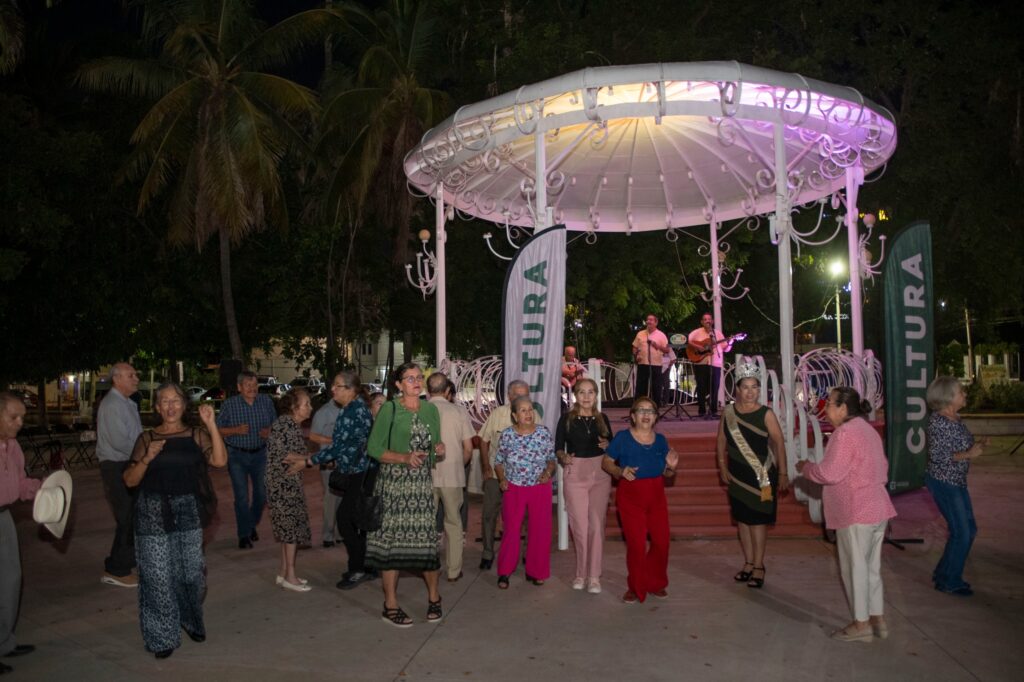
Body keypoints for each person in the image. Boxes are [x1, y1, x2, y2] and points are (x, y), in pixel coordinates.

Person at [123, 383, 227, 659]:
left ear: (184, 405)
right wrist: (147, 458)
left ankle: (190, 618)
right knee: (157, 577)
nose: (170, 406)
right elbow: (130, 480)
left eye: (175, 401)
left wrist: (211, 425)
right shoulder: (147, 438)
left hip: (187, 509)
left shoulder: (196, 434)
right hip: (151, 510)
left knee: (191, 575)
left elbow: (218, 461)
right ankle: (162, 637)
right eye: (164, 401)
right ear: (157, 407)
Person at [796, 387, 896, 642]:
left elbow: (829, 473)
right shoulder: (868, 430)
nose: (825, 408)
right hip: (877, 506)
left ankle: (861, 625)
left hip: (856, 509)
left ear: (843, 408)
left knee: (855, 569)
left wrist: (806, 468)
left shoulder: (844, 434)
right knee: (871, 568)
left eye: (829, 404)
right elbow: (882, 465)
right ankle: (877, 621)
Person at [364, 363, 446, 628]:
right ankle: (390, 605)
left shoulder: (431, 409)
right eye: (409, 378)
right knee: (391, 546)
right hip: (393, 485)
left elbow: (434, 448)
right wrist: (403, 458)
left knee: (426, 542)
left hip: (421, 487)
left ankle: (435, 597)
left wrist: (439, 450)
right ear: (398, 385)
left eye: (419, 377)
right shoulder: (390, 409)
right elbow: (374, 448)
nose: (416, 381)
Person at [290, 371, 376, 591]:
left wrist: (308, 461)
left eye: (338, 386)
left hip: (359, 474)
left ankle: (359, 569)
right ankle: (364, 566)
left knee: (345, 520)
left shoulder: (351, 412)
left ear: (350, 389)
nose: (333, 390)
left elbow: (337, 448)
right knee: (356, 521)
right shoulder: (356, 409)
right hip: (360, 471)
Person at [716, 362, 787, 589]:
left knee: (758, 521)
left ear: (760, 389)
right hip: (737, 475)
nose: (750, 392)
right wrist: (721, 466)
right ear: (737, 388)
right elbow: (721, 440)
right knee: (743, 521)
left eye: (754, 387)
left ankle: (759, 565)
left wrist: (784, 472)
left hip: (763, 477)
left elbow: (779, 443)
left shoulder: (766, 414)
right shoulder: (728, 412)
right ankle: (748, 563)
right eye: (745, 387)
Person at [603, 396, 679, 603]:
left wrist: (671, 467)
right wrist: (620, 471)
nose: (646, 414)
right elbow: (606, 462)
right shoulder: (622, 438)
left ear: (655, 417)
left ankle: (655, 582)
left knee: (662, 542)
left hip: (656, 495)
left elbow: (667, 474)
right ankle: (635, 587)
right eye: (641, 410)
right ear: (633, 416)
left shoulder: (661, 440)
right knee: (636, 545)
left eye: (651, 411)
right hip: (630, 496)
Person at [925, 376, 987, 596]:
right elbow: (939, 457)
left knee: (968, 530)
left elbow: (958, 447)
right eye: (961, 391)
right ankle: (949, 581)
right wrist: (970, 453)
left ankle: (944, 573)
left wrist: (975, 446)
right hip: (945, 482)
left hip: (956, 481)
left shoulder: (955, 419)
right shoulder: (939, 423)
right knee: (963, 532)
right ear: (949, 398)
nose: (965, 394)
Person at [556, 378, 613, 594]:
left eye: (591, 392)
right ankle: (580, 574)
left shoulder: (603, 419)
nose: (586, 396)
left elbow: (612, 444)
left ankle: (594, 576)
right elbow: (558, 446)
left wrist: (608, 444)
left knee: (597, 527)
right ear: (575, 396)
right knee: (579, 527)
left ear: (596, 395)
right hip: (576, 473)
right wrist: (563, 456)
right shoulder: (567, 419)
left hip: (600, 473)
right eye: (582, 392)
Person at [494, 396, 557, 589]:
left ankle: (536, 571)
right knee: (512, 529)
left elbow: (551, 459)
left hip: (539, 486)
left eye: (530, 409)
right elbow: (498, 461)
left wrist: (548, 472)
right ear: (514, 415)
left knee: (540, 529)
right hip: (514, 487)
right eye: (523, 410)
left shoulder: (543, 433)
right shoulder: (507, 435)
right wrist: (502, 479)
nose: (528, 413)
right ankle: (505, 571)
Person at [0, 392, 41, 673]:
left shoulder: (12, 446)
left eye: (22, 417)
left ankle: (4, 642)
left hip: (4, 517)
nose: (19, 422)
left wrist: (46, 489)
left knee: (10, 580)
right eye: (13, 416)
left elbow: (21, 483)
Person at [216, 370, 277, 549]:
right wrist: (235, 430)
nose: (252, 388)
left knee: (262, 494)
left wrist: (270, 432)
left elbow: (276, 424)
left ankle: (249, 524)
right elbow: (217, 429)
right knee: (241, 497)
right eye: (248, 385)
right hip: (237, 455)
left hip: (261, 454)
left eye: (254, 385)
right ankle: (244, 535)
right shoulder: (229, 405)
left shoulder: (266, 402)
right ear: (239, 387)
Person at [95, 362, 143, 587]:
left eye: (135, 375)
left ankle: (124, 563)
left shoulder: (126, 403)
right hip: (117, 466)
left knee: (132, 516)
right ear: (117, 379)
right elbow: (120, 442)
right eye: (130, 375)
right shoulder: (113, 404)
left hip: (127, 463)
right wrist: (144, 457)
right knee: (127, 517)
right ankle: (116, 568)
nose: (136, 378)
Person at [477, 379, 530, 570]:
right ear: (509, 396)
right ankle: (488, 553)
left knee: (523, 518)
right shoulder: (498, 414)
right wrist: (485, 466)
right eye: (518, 395)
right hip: (495, 474)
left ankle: (525, 554)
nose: (522, 399)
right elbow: (483, 440)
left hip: (523, 479)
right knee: (489, 514)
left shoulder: (533, 415)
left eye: (525, 395)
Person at [427, 373, 475, 583]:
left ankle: (429, 566)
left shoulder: (419, 411)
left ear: (428, 391)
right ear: (447, 391)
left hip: (425, 476)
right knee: (454, 523)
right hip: (453, 475)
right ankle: (453, 571)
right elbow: (468, 448)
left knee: (426, 524)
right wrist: (458, 464)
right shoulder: (458, 411)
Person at [265, 389, 314, 592]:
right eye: (306, 404)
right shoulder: (285, 424)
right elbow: (284, 454)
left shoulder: (290, 425)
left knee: (287, 530)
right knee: (291, 530)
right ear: (294, 408)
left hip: (287, 483)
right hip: (283, 486)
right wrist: (309, 459)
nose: (310, 407)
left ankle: (284, 572)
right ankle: (290, 576)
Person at [309, 390, 342, 548]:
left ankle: (340, 532)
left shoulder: (350, 410)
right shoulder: (324, 412)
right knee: (331, 500)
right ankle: (328, 535)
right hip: (329, 463)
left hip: (346, 463)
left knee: (343, 500)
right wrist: (332, 441)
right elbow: (313, 436)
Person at [688, 313, 733, 419]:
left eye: (709, 319)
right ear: (702, 322)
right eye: (705, 319)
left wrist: (730, 342)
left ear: (712, 321)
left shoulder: (717, 333)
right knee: (701, 387)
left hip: (715, 363)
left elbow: (725, 349)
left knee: (714, 387)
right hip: (701, 362)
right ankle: (702, 411)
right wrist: (699, 347)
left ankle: (713, 411)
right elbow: (688, 341)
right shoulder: (696, 332)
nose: (707, 321)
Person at [631, 314, 670, 406]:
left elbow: (667, 350)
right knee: (641, 387)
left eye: (651, 320)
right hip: (643, 363)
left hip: (656, 364)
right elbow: (634, 347)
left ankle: (656, 408)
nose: (648, 321)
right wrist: (636, 355)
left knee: (656, 387)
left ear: (656, 323)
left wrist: (657, 346)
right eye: (647, 320)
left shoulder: (661, 335)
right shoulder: (640, 334)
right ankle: (639, 407)